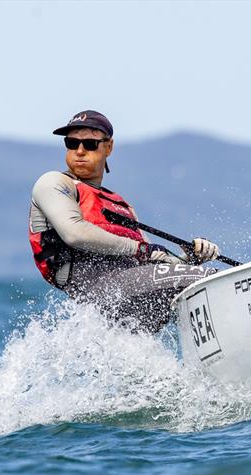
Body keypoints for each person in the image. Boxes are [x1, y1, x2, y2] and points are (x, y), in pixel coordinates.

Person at [29, 110, 221, 331]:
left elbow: (155, 263)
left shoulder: (121, 205)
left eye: (90, 144)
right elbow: (74, 233)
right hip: (99, 288)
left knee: (201, 278)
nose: (79, 151)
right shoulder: (53, 183)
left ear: (108, 147)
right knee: (210, 279)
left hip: (133, 290)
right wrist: (142, 249)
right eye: (72, 143)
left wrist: (190, 259)